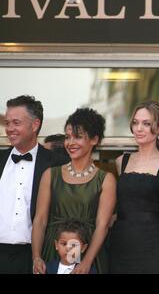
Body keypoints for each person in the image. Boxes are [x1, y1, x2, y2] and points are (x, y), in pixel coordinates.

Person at [31, 108, 116, 274]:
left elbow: (102, 225)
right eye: (68, 137)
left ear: (94, 139)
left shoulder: (106, 179)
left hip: (89, 251)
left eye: (78, 137)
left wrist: (86, 262)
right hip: (53, 250)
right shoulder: (50, 175)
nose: (70, 143)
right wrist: (36, 256)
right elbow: (40, 220)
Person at [109, 101, 159, 274]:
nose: (139, 128)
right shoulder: (122, 161)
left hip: (153, 247)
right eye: (135, 123)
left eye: (146, 123)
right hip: (120, 244)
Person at [0, 95, 66, 273]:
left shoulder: (57, 163)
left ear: (35, 125)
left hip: (37, 256)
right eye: (7, 123)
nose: (10, 129)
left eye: (16, 123)